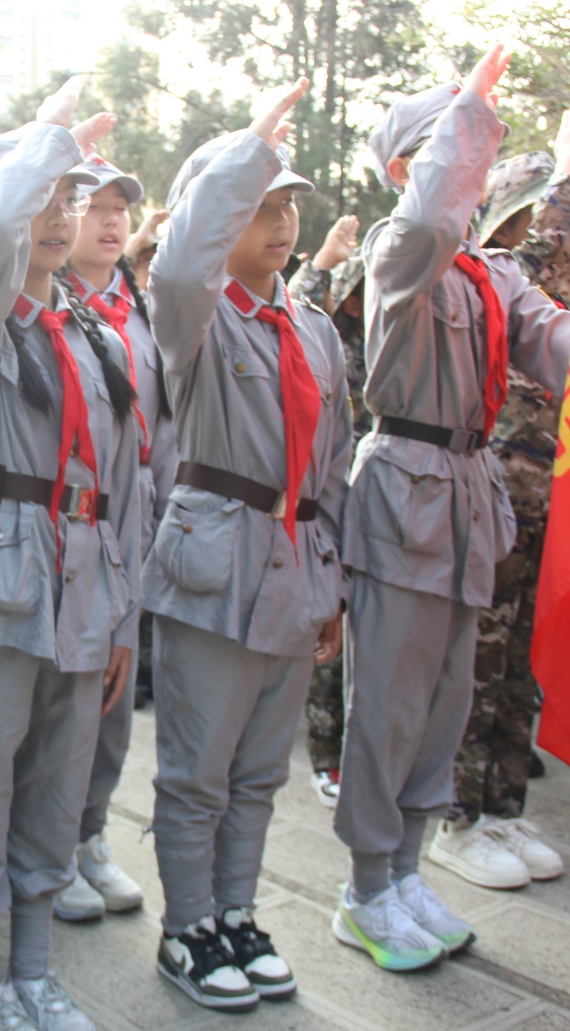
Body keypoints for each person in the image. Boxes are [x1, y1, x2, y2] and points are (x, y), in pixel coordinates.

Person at [333, 46, 570, 973]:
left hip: (468, 494)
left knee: (445, 705)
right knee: (388, 706)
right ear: (406, 168)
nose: (472, 164)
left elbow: (564, 343)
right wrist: (470, 112)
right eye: (449, 146)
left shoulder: (491, 271)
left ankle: (403, 873)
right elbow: (434, 213)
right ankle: (363, 890)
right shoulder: (399, 251)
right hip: (405, 489)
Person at [0, 77, 142, 1031]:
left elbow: (121, 482)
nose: (60, 215)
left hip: (84, 581)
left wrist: (122, 615)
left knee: (57, 786)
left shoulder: (91, 331)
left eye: (71, 196)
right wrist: (43, 138)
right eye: (43, 195)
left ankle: (36, 973)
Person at [145, 81, 351, 1010]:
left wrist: (332, 585)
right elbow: (180, 265)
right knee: (198, 770)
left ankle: (235, 912)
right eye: (258, 206)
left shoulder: (312, 329)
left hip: (296, 567)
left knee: (261, 770)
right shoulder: (197, 314)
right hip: (218, 562)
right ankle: (186, 926)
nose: (280, 221)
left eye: (287, 205)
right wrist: (244, 151)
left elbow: (332, 465)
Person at [427, 107, 570, 890]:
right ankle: (456, 818)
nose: (547, 229)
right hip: (495, 495)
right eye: (529, 214)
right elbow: (545, 251)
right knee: (478, 663)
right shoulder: (494, 273)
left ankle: (500, 807)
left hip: (544, 502)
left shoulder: (543, 282)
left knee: (517, 667)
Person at [52, 153, 173, 922]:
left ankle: (89, 832)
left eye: (118, 209)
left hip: (133, 513)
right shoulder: (42, 303)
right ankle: (49, 842)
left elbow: (164, 424)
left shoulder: (142, 311)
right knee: (62, 692)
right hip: (65, 517)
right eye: (91, 206)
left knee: (114, 690)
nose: (107, 221)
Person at [287, 215, 368, 809]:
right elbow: (292, 306)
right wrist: (324, 261)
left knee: (355, 630)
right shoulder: (322, 330)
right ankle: (325, 753)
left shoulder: (384, 332)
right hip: (320, 493)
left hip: (368, 493)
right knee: (324, 636)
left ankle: (357, 749)